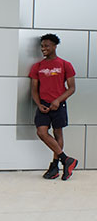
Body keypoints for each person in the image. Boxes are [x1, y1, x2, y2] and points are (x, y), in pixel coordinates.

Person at [29, 33, 78, 180]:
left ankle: (55, 166)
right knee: (41, 132)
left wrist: (58, 100)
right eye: (42, 46)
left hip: (59, 104)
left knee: (58, 134)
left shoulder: (65, 64)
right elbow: (33, 89)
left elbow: (72, 88)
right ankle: (66, 160)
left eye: (47, 46)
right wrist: (39, 104)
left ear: (55, 46)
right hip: (43, 105)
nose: (43, 48)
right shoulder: (37, 67)